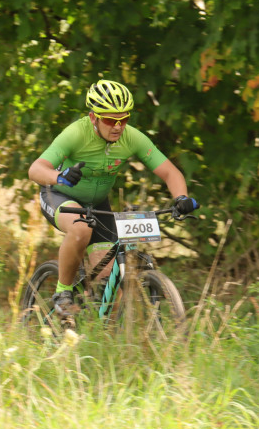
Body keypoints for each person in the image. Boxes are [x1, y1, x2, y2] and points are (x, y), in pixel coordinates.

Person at [28, 79, 199, 319]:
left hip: (97, 204)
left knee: (109, 277)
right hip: (59, 194)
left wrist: (181, 198)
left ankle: (97, 327)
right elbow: (35, 169)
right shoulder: (76, 134)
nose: (118, 127)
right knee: (81, 229)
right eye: (110, 120)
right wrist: (60, 177)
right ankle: (63, 293)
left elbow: (170, 172)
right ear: (93, 117)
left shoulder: (132, 138)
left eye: (124, 119)